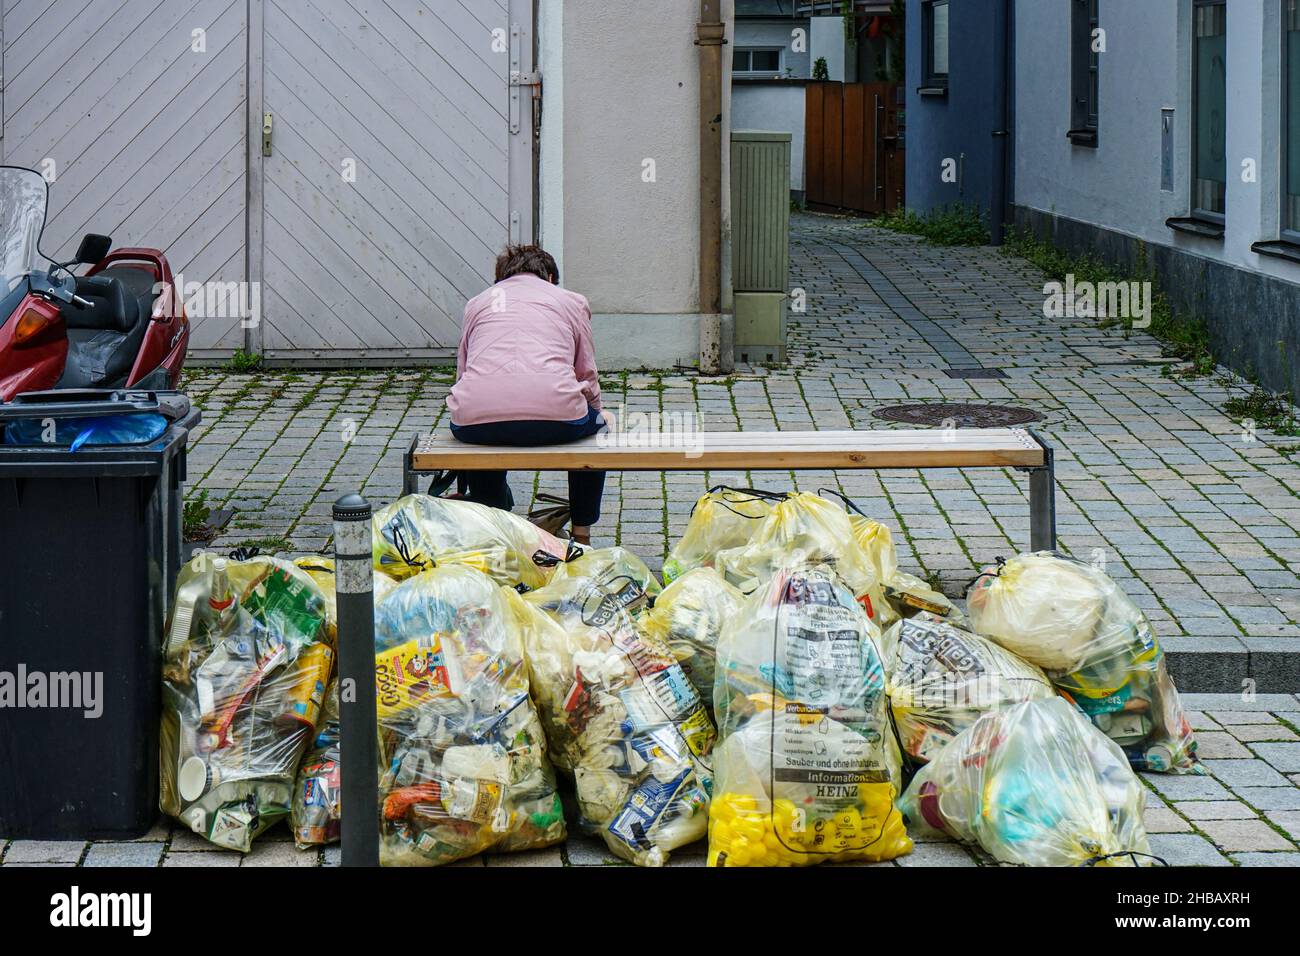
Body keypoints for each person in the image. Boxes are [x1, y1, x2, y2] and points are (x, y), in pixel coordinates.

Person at [447, 244, 605, 545]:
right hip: (557, 419)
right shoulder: (571, 301)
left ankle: (494, 514)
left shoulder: (477, 303)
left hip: (476, 423)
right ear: (548, 276)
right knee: (598, 434)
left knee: (486, 423)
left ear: (502, 277)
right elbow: (586, 373)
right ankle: (582, 535)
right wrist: (596, 412)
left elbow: (465, 371)